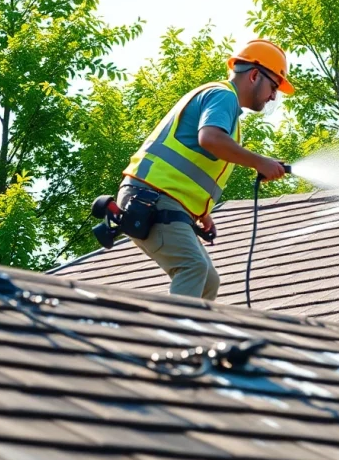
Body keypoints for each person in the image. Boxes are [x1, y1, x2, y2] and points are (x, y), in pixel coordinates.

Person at [117, 39, 293, 300]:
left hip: (161, 199)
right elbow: (209, 139)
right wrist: (260, 161)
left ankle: (192, 339)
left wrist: (200, 211)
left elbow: (193, 159)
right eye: (273, 86)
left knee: (207, 281)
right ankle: (171, 340)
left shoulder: (223, 103)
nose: (272, 96)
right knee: (193, 268)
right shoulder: (223, 96)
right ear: (255, 75)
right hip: (151, 198)